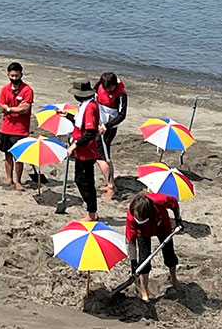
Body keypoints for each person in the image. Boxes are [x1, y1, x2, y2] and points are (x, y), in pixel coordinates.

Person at [125, 190, 183, 301]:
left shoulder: (160, 201)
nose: (139, 219)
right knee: (144, 260)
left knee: (169, 254)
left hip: (162, 225)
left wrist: (178, 220)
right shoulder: (131, 217)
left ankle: (173, 278)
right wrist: (133, 264)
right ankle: (144, 291)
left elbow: (174, 204)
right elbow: (131, 241)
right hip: (142, 233)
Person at [64, 81, 102, 220]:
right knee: (79, 180)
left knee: (86, 183)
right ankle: (91, 211)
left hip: (87, 152)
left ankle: (92, 213)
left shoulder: (90, 107)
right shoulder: (84, 105)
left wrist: (75, 145)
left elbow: (90, 132)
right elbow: (80, 122)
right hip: (81, 151)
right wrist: (67, 115)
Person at [0, 62, 33, 190]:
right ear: (8, 75)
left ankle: (18, 181)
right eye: (12, 75)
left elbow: (25, 109)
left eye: (16, 75)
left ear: (21, 75)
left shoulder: (27, 90)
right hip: (6, 127)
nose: (14, 78)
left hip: (21, 129)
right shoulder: (4, 90)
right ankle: (9, 178)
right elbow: (1, 106)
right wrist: (13, 109)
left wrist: (9, 109)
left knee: (19, 156)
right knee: (7, 154)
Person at [95, 71, 128, 199]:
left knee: (101, 156)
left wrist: (106, 126)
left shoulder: (121, 96)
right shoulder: (100, 84)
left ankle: (111, 186)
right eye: (105, 88)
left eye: (110, 88)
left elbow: (122, 115)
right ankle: (110, 182)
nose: (108, 90)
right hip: (99, 123)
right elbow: (92, 94)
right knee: (104, 154)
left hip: (109, 127)